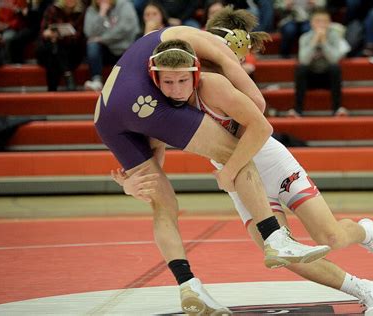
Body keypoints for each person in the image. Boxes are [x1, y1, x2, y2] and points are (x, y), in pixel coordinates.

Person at [114, 38, 373, 315]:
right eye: (168, 82)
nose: (176, 89)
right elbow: (155, 160)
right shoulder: (160, 108)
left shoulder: (212, 87)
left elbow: (262, 127)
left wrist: (229, 170)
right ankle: (367, 290)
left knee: (330, 236)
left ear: (195, 73)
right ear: (155, 80)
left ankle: (366, 232)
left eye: (182, 80)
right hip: (240, 179)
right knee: (284, 256)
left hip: (270, 163)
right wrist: (131, 184)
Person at [94, 9, 331, 314]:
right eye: (240, 58)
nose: (239, 64)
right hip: (146, 102)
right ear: (231, 44)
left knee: (163, 205)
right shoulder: (215, 47)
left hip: (106, 115)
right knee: (236, 151)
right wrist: (232, 136)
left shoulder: (161, 51)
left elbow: (155, 144)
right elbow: (258, 106)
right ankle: (275, 236)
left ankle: (188, 285)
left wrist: (131, 184)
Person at [291, 7, 349, 117]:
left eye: (324, 21)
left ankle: (337, 108)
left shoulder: (334, 36)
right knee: (300, 68)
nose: (321, 24)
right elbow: (303, 60)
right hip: (310, 79)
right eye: (318, 21)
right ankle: (298, 110)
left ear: (329, 23)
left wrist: (324, 42)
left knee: (335, 68)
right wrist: (314, 42)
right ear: (311, 23)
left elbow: (334, 59)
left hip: (328, 78)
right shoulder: (305, 37)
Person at [83, 0, 139, 91]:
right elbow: (90, 33)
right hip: (106, 51)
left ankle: (129, 83)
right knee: (92, 45)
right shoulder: (91, 10)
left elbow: (124, 29)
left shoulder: (124, 5)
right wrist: (101, 14)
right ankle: (96, 80)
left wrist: (103, 39)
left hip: (124, 49)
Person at [36, 0, 86, 91]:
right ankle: (68, 74)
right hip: (51, 48)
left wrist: (59, 36)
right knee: (53, 50)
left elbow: (78, 37)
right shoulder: (52, 9)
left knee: (55, 52)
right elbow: (43, 33)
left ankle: (52, 90)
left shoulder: (82, 12)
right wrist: (47, 34)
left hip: (72, 51)